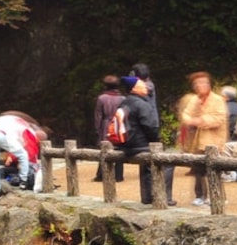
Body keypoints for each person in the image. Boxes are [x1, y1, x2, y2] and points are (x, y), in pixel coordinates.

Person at [119, 77, 175, 206]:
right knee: (168, 162)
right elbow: (150, 126)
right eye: (142, 85)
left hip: (127, 144)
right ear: (134, 89)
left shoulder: (124, 102)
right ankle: (163, 196)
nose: (146, 87)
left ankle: (147, 197)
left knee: (147, 166)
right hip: (140, 145)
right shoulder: (141, 104)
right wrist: (156, 141)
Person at [178, 71, 228, 206]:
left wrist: (199, 120)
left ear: (209, 84)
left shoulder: (217, 100)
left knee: (214, 169)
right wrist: (191, 120)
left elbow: (218, 119)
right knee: (198, 169)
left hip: (213, 140)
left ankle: (217, 197)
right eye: (197, 83)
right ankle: (200, 195)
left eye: (203, 82)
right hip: (196, 140)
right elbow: (186, 115)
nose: (200, 85)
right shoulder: (194, 99)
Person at [0, 111, 45, 200]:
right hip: (19, 165)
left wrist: (12, 157)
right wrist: (12, 157)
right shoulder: (23, 129)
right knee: (4, 168)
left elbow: (24, 150)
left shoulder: (26, 133)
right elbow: (19, 146)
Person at [93, 75, 125, 182]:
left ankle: (102, 174)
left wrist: (97, 129)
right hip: (118, 123)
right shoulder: (123, 98)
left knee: (105, 149)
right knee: (119, 148)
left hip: (106, 125)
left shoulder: (101, 98)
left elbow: (98, 116)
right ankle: (119, 175)